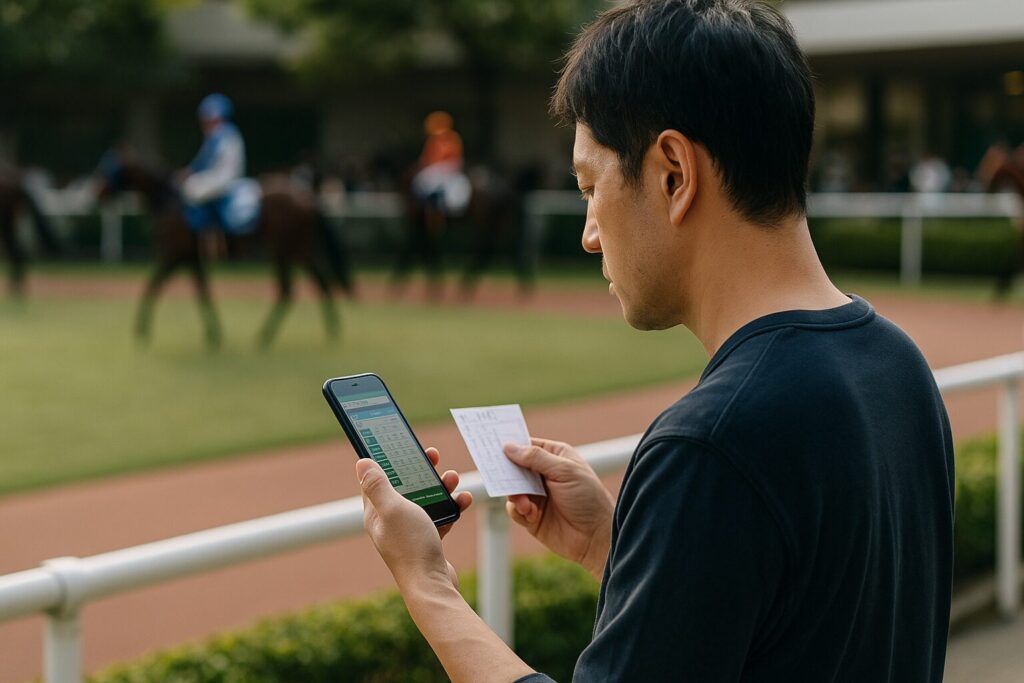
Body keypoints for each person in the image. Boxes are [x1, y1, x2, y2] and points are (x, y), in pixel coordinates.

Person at [355, 1, 954, 681]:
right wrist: (621, 543)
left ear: (673, 172)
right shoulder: (901, 367)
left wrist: (427, 585)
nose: (588, 232)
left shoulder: (709, 444)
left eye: (590, 186)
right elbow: (799, 620)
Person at [181, 93, 260, 237]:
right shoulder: (224, 133)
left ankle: (199, 233)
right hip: (223, 177)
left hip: (223, 179)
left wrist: (190, 171)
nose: (205, 122)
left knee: (189, 189)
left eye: (207, 118)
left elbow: (206, 161)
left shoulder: (221, 134)